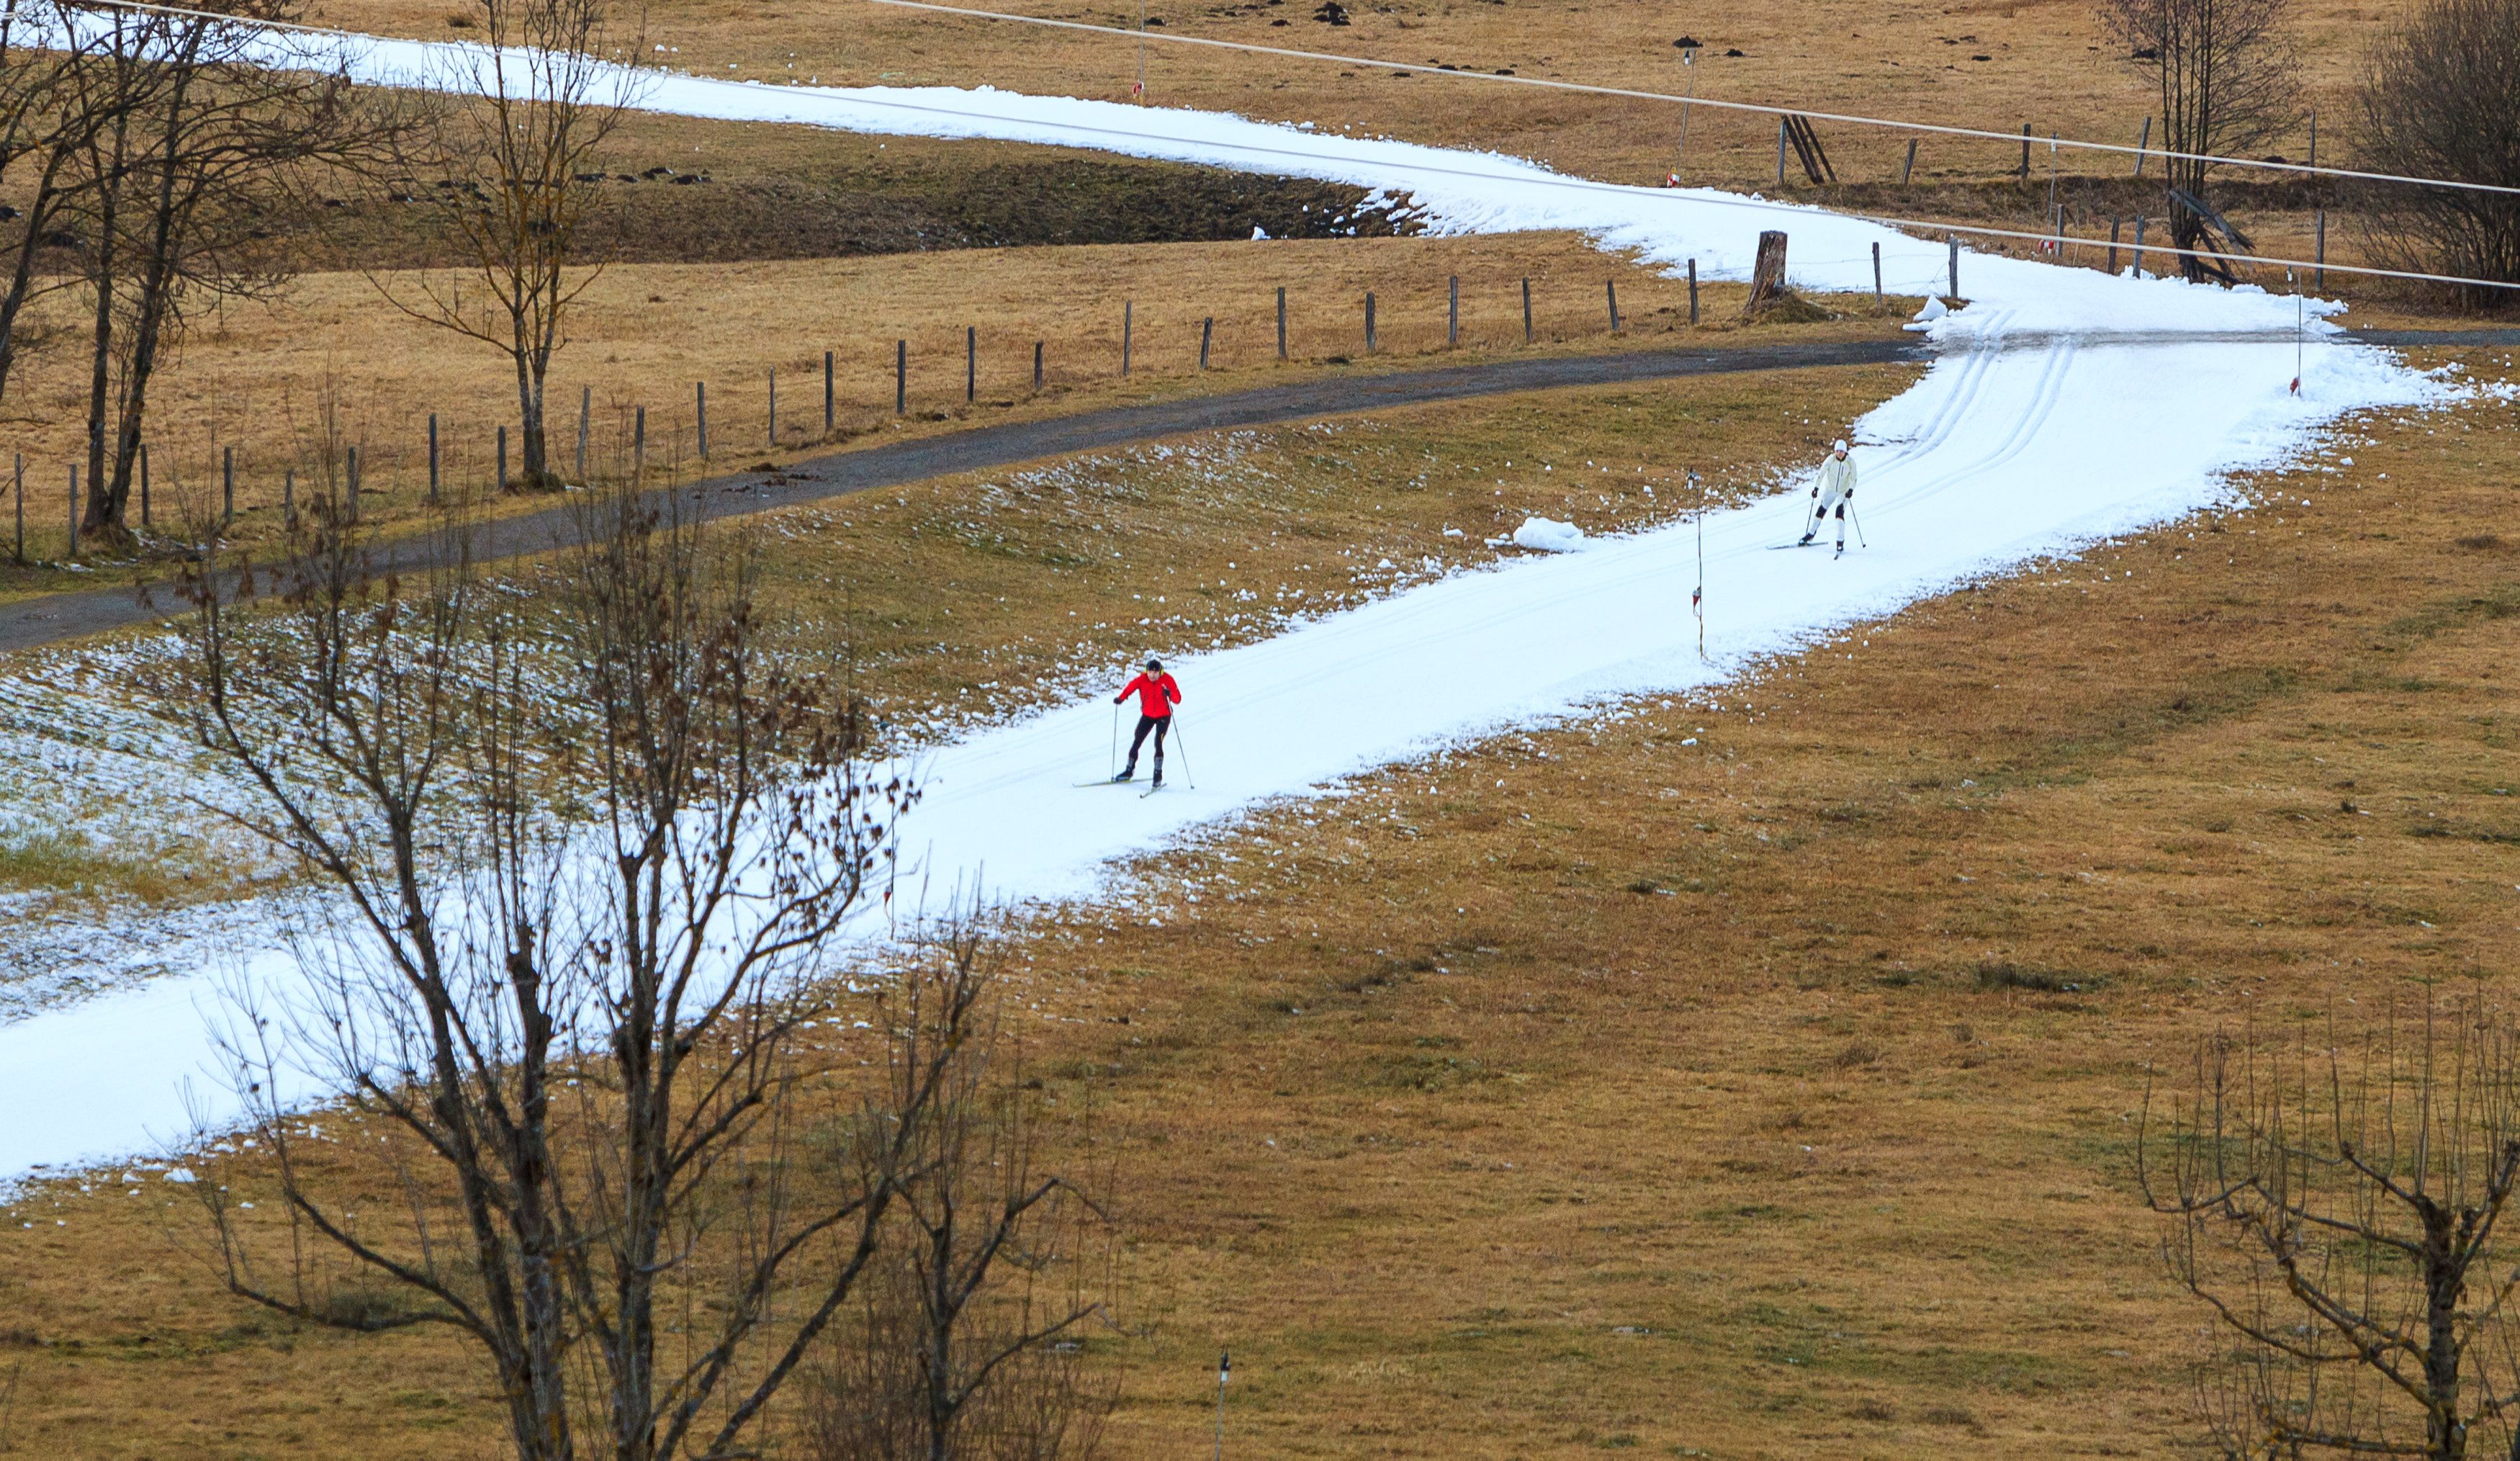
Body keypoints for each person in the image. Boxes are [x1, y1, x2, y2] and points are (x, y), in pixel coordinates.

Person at [1111, 657, 1182, 786]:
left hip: (1163, 717)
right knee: (1137, 739)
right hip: (1148, 715)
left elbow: (1178, 699)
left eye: (1155, 673)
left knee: (1158, 743)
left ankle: (1157, 775)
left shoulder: (1167, 680)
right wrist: (1121, 699)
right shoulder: (1142, 679)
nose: (1152, 675)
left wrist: (1169, 693)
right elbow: (1130, 688)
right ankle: (1128, 771)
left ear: (1160, 672)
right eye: (1150, 672)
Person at [1798, 439, 1856, 549]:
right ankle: (1811, 534)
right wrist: (1816, 488)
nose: (1839, 453)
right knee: (1821, 511)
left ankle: (1840, 541)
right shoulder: (1831, 459)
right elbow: (1822, 473)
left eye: (1842, 451)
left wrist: (1851, 490)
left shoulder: (1850, 462)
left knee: (1839, 514)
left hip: (1843, 491)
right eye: (1837, 451)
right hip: (1830, 489)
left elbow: (1854, 478)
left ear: (1845, 452)